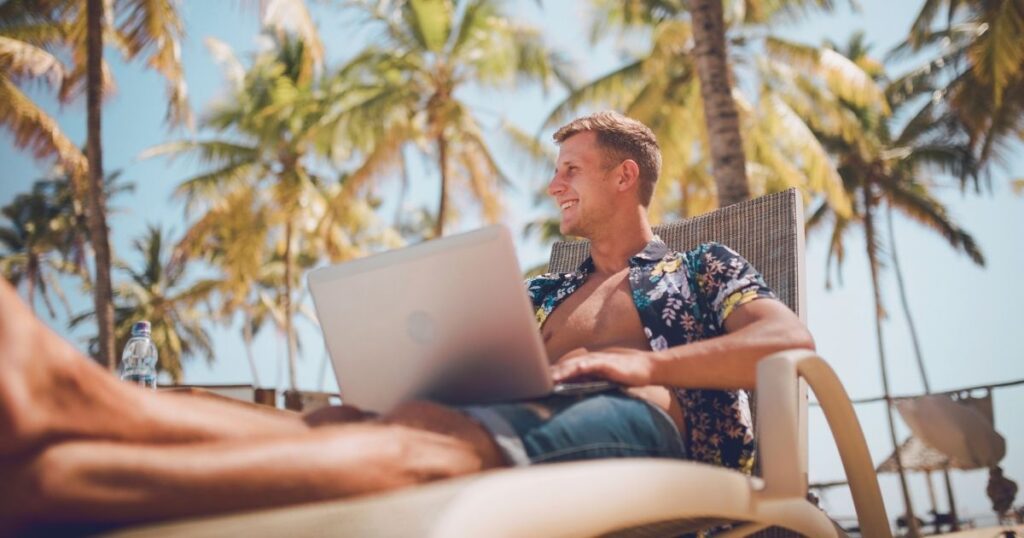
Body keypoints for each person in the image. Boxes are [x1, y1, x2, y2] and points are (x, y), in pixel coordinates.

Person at [0, 111, 814, 533]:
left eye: (571, 170)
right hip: (514, 418)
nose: (553, 185)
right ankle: (81, 408)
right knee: (347, 419)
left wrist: (644, 366)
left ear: (625, 176)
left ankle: (67, 480)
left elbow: (785, 341)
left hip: (650, 427)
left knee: (432, 442)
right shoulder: (537, 294)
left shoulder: (700, 267)